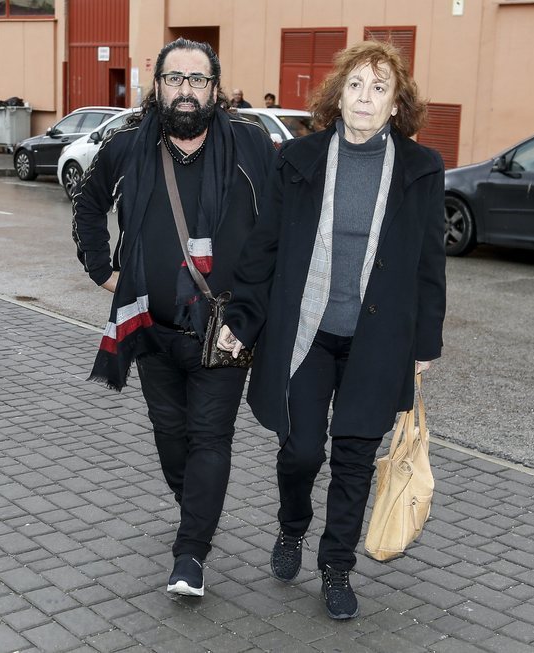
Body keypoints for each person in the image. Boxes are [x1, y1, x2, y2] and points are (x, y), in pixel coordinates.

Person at [217, 40, 446, 620]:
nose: (364, 99)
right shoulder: (299, 159)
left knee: (353, 458)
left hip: (378, 339)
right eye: (355, 86)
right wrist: (241, 319)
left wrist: (424, 347)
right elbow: (263, 247)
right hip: (307, 334)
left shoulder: (421, 170)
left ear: (396, 105)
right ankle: (291, 526)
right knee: (300, 450)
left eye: (378, 88)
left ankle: (337, 567)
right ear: (336, 94)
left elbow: (429, 262)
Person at [72, 38, 275, 597]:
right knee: (171, 439)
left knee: (211, 437)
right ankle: (198, 511)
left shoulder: (252, 148)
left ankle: (191, 554)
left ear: (216, 89)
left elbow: (278, 228)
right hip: (151, 331)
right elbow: (88, 203)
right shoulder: (128, 146)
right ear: (157, 86)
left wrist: (255, 308)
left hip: (226, 331)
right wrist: (100, 268)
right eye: (175, 78)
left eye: (198, 79)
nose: (186, 90)